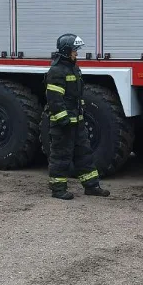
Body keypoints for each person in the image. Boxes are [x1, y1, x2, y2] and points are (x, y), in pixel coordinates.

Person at [44, 34, 110, 200]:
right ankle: (58, 189)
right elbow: (55, 99)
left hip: (77, 121)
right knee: (61, 156)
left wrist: (80, 114)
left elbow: (75, 95)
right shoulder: (57, 71)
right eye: (74, 50)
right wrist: (63, 119)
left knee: (84, 154)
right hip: (63, 124)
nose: (76, 53)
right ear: (66, 51)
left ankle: (92, 186)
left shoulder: (73, 68)